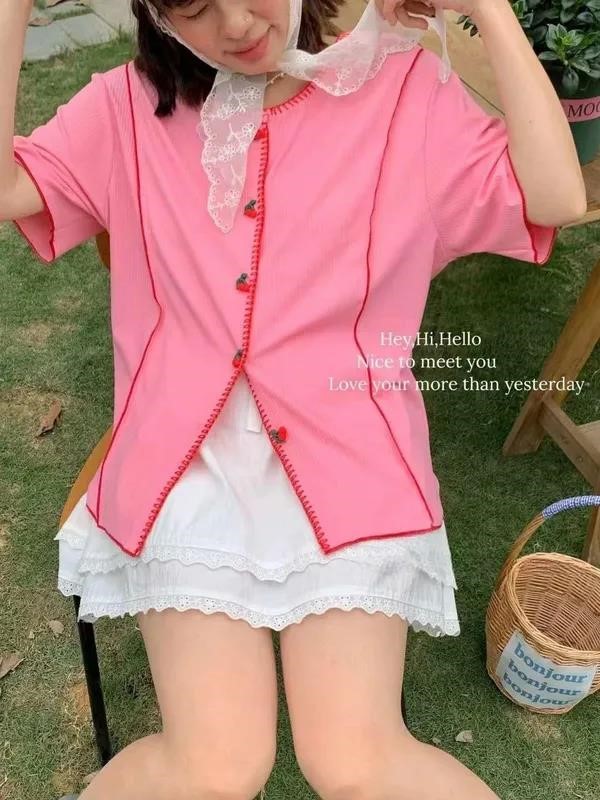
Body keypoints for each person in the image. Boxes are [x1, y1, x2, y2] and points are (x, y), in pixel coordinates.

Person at [0, 0, 586, 797]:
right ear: (155, 14)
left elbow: (554, 197)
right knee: (214, 766)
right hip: (185, 469)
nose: (236, 25)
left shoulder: (402, 91)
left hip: (351, 463)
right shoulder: (127, 106)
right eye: (195, 8)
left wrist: (486, 8)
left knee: (356, 761)